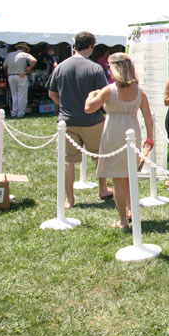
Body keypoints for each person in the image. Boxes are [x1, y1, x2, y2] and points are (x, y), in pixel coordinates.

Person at [85, 53, 154, 229]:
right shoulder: (139, 91)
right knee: (129, 174)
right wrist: (150, 137)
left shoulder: (109, 90)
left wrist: (92, 95)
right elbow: (147, 116)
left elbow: (88, 108)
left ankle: (123, 220)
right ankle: (131, 210)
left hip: (114, 132)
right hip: (133, 130)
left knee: (118, 179)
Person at [47, 31, 113, 207]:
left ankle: (70, 199)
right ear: (91, 46)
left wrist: (64, 105)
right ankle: (103, 189)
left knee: (68, 162)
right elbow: (103, 94)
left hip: (67, 121)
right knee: (100, 156)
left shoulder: (60, 67)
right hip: (92, 120)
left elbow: (51, 93)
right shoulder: (95, 68)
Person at [3, 42, 37, 118]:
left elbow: (4, 66)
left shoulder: (9, 54)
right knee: (22, 95)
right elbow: (34, 60)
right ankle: (20, 113)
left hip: (11, 76)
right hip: (21, 75)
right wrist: (29, 67)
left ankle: (14, 112)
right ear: (24, 49)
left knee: (14, 95)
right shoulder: (24, 54)